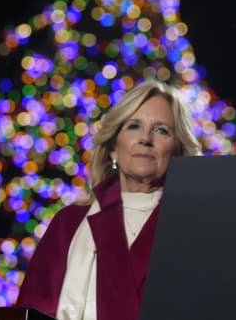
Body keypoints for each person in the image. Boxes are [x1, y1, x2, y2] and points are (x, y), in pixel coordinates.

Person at [16, 79, 202, 320]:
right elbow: (30, 312)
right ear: (114, 147)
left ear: (177, 151)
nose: (145, 138)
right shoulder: (68, 223)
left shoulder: (193, 227)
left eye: (161, 130)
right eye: (134, 126)